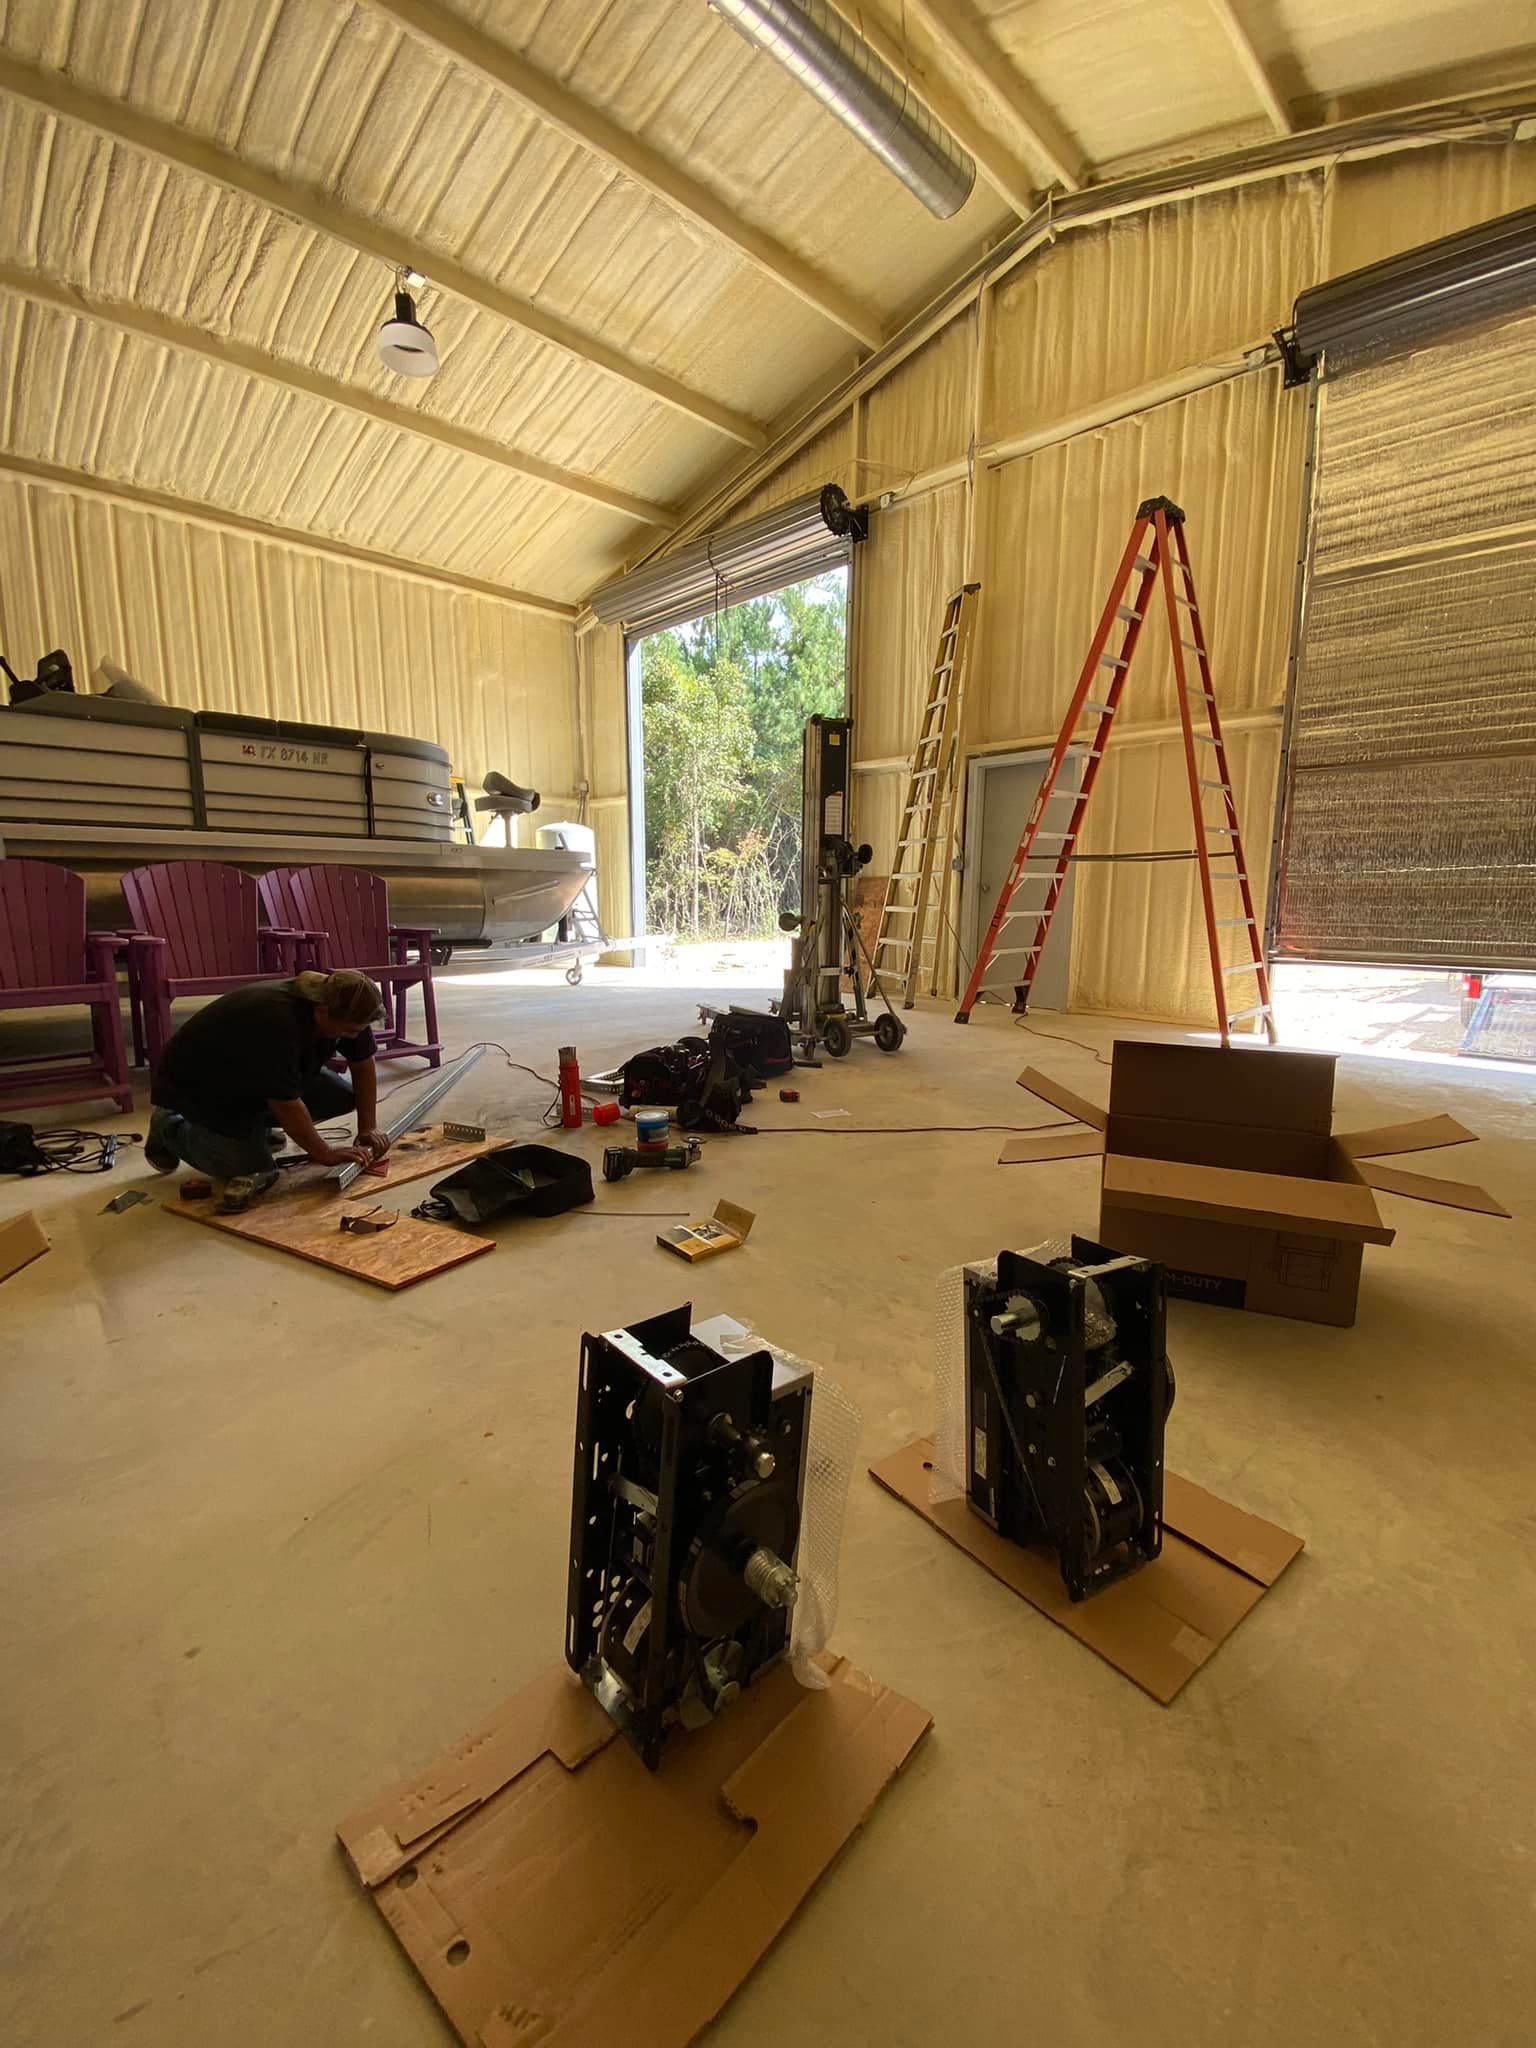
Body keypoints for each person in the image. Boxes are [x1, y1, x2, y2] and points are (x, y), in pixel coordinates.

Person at [146, 968, 392, 1196]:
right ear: (321, 1010)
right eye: (349, 1030)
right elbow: (285, 1101)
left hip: (253, 1073)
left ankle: (255, 1127)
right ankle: (168, 1124)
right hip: (203, 1084)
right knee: (249, 1167)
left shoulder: (348, 1004)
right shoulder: (276, 1018)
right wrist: (324, 1153)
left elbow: (362, 1062)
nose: (354, 1035)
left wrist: (368, 1127)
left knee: (342, 1097)